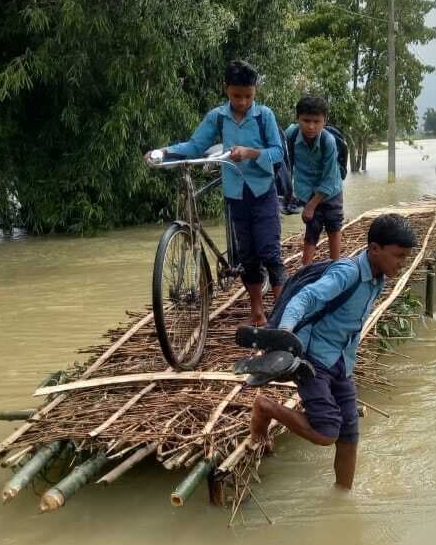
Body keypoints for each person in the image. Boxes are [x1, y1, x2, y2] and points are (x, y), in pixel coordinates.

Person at [249, 213, 417, 489]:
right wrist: (287, 332)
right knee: (327, 433)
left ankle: (343, 498)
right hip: (313, 359)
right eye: (398, 256)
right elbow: (306, 297)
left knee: (349, 436)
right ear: (375, 249)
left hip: (342, 361)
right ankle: (265, 407)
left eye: (405, 257)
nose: (402, 263)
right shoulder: (348, 273)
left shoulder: (378, 278)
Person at [163, 59, 286, 326]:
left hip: (262, 191)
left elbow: (278, 153)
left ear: (255, 91)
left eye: (248, 96)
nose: (242, 102)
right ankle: (257, 312)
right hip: (235, 194)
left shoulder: (264, 115)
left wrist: (251, 153)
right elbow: (195, 146)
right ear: (225, 90)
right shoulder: (217, 117)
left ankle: (285, 314)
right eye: (236, 96)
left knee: (270, 252)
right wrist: (164, 153)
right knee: (248, 257)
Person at [286, 94, 344, 266]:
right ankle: (306, 269)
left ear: (324, 121)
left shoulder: (329, 142)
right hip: (306, 189)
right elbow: (285, 165)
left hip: (331, 190)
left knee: (334, 226)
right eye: (306, 120)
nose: (311, 126)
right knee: (312, 230)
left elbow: (329, 179)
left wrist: (311, 206)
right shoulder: (290, 135)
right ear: (297, 119)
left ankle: (335, 267)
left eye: (316, 122)